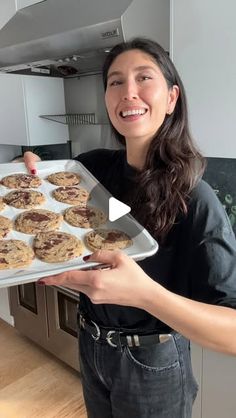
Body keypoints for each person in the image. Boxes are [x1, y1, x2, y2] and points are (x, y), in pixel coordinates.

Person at [23, 38, 236, 418]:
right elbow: (46, 192)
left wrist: (146, 295)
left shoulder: (195, 200)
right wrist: (33, 170)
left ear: (171, 98)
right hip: (91, 343)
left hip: (153, 361)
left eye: (143, 78)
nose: (128, 92)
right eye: (115, 82)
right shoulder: (92, 171)